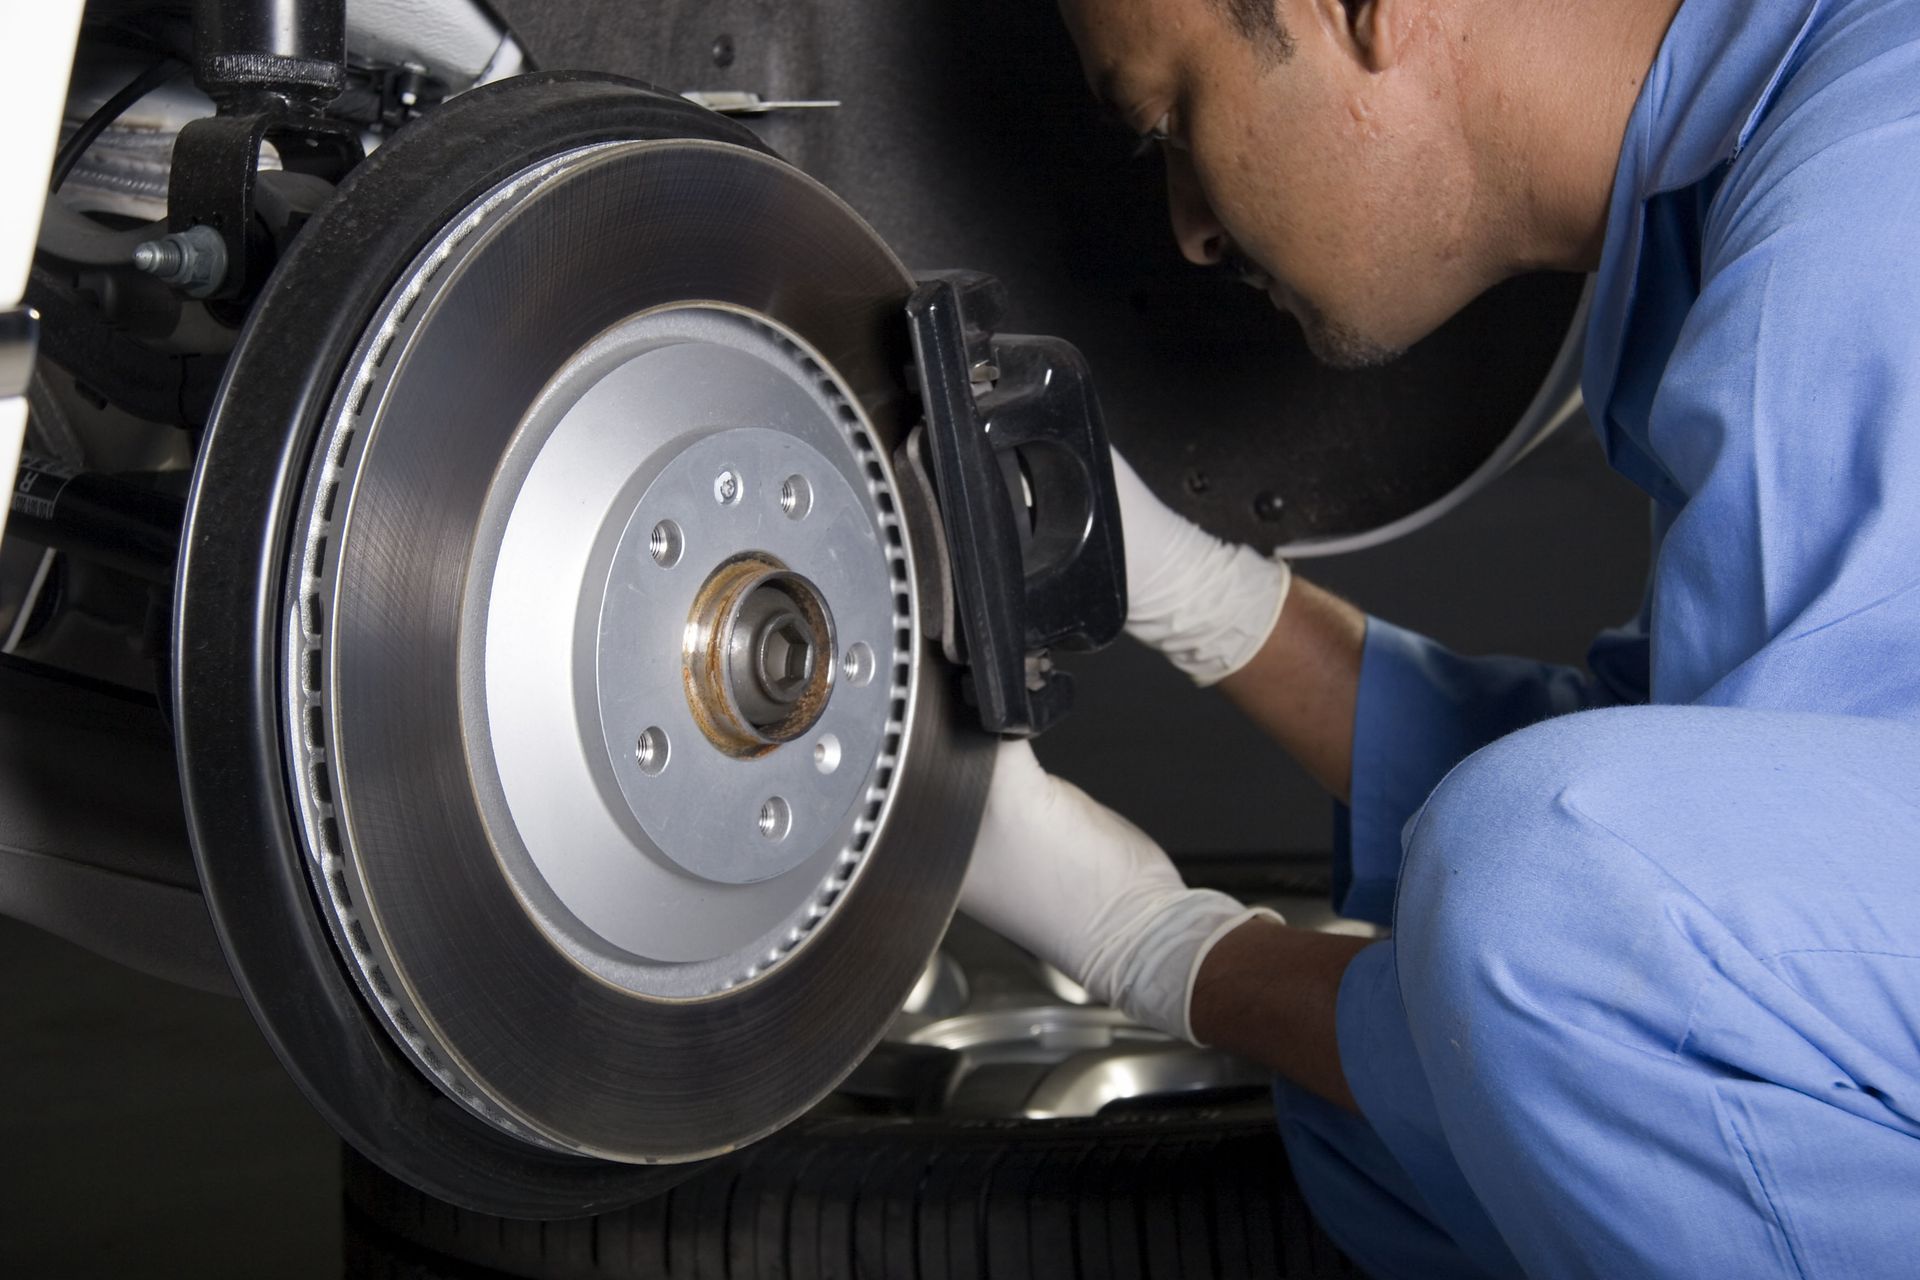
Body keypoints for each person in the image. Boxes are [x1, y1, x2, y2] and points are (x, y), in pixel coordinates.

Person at [957, 0, 1920, 1274]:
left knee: (1527, 912)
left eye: (1169, 118)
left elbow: (1624, 931)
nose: (1186, 223)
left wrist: (1169, 949)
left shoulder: (1861, 218)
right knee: (1380, 1122)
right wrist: (1190, 592)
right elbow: (1722, 838)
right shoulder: (1744, 173)